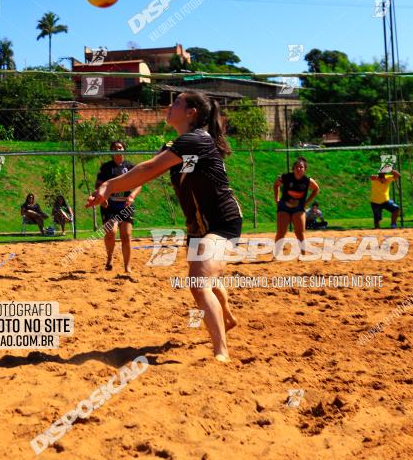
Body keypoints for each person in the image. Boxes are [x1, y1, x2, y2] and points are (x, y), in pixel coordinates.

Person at [87, 92, 242, 363]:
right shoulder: (176, 144)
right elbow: (146, 172)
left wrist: (110, 186)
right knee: (207, 277)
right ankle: (226, 317)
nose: (170, 106)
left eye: (177, 103)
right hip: (197, 224)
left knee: (199, 279)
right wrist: (108, 188)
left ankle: (221, 352)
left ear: (191, 112)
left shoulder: (196, 139)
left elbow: (149, 168)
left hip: (222, 221)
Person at [94, 141, 142, 279]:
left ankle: (127, 267)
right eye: (114, 148)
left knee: (126, 235)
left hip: (125, 205)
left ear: (124, 150)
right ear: (111, 151)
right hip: (110, 205)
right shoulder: (106, 168)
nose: (117, 149)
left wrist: (132, 195)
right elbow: (99, 186)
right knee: (111, 232)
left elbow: (139, 184)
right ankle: (109, 257)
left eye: (120, 147)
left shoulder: (130, 166)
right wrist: (102, 197)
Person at [274, 158, 320, 254]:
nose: (299, 169)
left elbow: (316, 189)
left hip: (298, 208)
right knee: (281, 232)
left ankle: (303, 255)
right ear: (293, 169)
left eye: (301, 167)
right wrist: (276, 199)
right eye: (297, 167)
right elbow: (276, 185)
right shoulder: (286, 177)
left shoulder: (307, 181)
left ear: (305, 169)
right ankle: (276, 254)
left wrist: (306, 202)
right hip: (284, 207)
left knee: (299, 233)